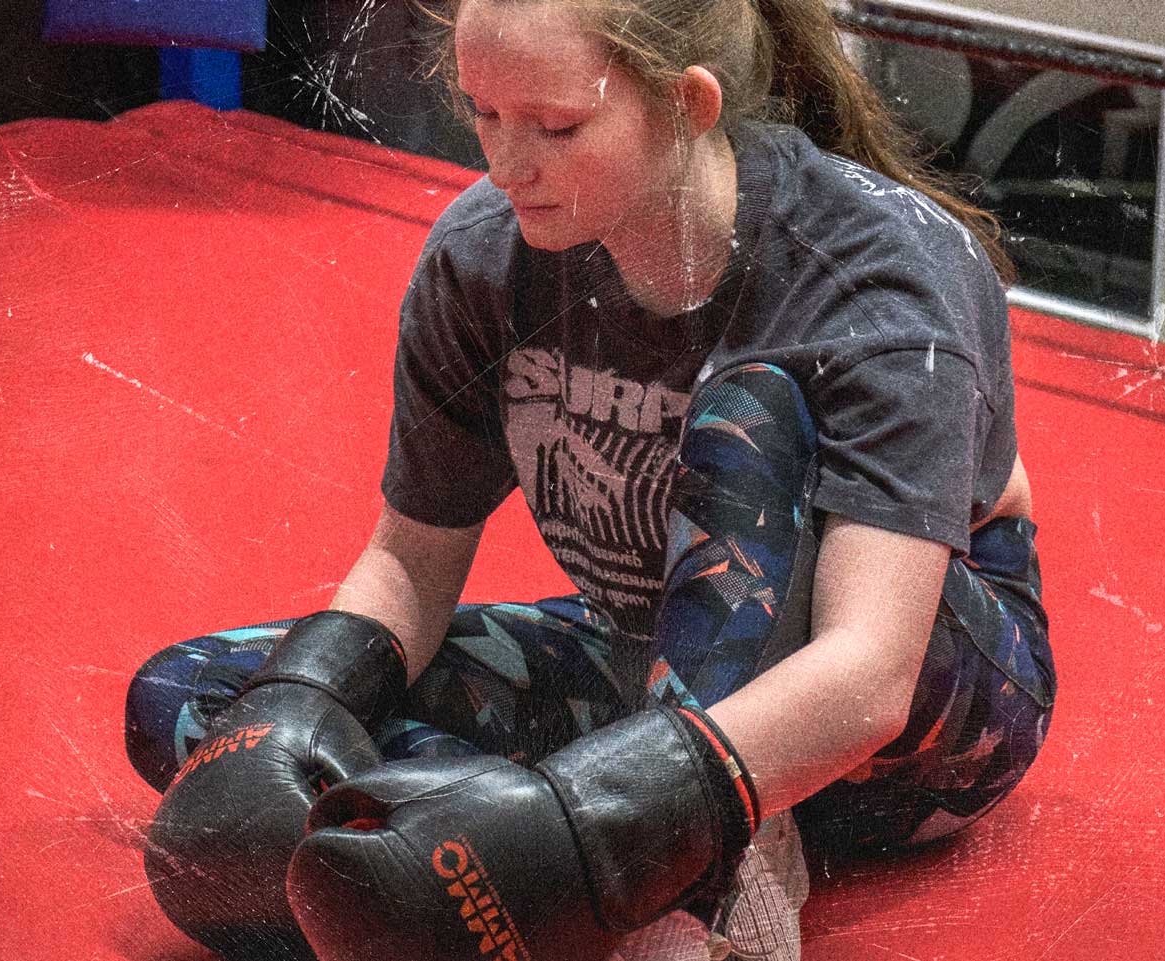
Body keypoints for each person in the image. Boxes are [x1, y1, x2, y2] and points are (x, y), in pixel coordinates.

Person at [124, 1, 1057, 959]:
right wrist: (302, 706)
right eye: (484, 113)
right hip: (653, 662)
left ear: (688, 105)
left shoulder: (876, 276)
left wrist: (589, 811)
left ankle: (702, 880)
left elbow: (871, 674)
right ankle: (531, 860)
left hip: (912, 730)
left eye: (556, 127)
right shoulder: (482, 257)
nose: (505, 165)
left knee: (752, 410)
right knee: (207, 707)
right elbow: (408, 564)